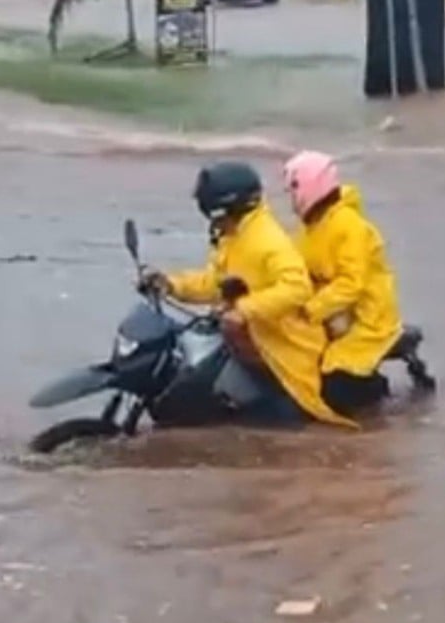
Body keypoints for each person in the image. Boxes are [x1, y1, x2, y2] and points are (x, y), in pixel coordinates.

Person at [144, 161, 351, 427]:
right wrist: (171, 284)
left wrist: (245, 310)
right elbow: (216, 282)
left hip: (283, 347)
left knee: (270, 426)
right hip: (248, 340)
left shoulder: (267, 240)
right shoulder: (234, 235)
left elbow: (297, 287)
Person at [283, 150, 404, 416]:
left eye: (293, 189)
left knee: (333, 388)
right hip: (331, 316)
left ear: (311, 186)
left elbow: (351, 284)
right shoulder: (309, 229)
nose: (290, 198)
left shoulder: (351, 228)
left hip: (367, 321)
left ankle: (377, 396)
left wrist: (310, 310)